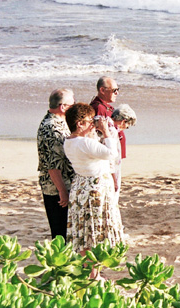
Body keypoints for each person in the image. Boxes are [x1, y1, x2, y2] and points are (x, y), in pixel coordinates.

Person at [63, 103, 124, 256]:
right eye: (90, 121)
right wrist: (105, 132)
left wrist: (94, 131)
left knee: (84, 230)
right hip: (95, 188)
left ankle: (88, 268)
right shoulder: (85, 143)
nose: (92, 124)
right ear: (80, 124)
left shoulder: (69, 141)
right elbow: (111, 153)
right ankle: (93, 272)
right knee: (95, 231)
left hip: (81, 186)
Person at [37, 88, 75, 240]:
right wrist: (63, 191)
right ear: (63, 107)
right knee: (60, 234)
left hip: (60, 186)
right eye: (72, 105)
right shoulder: (52, 128)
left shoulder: (58, 122)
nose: (75, 107)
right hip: (56, 189)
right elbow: (53, 166)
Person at [90, 76, 123, 190]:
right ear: (102, 90)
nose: (117, 93)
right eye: (114, 90)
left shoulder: (105, 107)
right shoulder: (99, 109)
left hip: (113, 158)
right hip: (108, 161)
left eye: (118, 89)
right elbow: (102, 142)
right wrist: (112, 174)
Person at [110, 104, 137, 197]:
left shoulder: (108, 128)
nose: (125, 129)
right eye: (127, 126)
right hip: (111, 171)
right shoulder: (111, 132)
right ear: (123, 121)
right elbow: (109, 159)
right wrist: (114, 179)